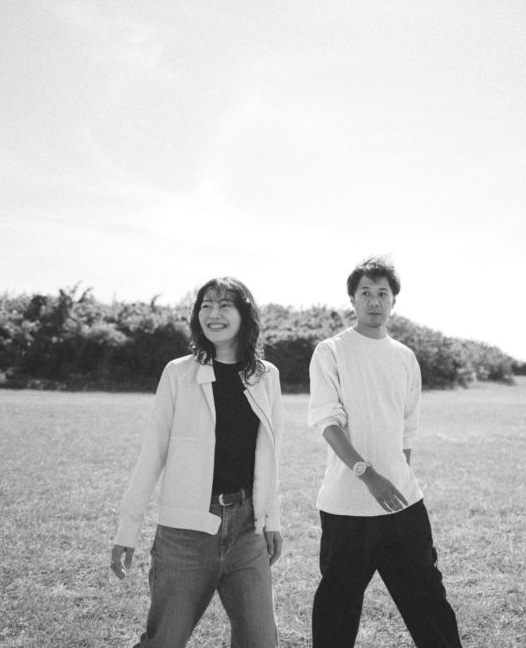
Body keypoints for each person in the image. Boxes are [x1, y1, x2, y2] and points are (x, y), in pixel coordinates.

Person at [111, 277, 283, 648]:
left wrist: (272, 520)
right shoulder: (178, 373)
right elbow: (152, 452)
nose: (213, 314)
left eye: (225, 305)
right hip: (185, 533)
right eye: (206, 305)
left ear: (244, 315)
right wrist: (128, 529)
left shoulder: (266, 376)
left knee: (261, 642)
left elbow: (271, 455)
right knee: (165, 641)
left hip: (247, 530)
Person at [308, 257, 462, 647]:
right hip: (346, 507)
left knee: (428, 602)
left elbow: (407, 429)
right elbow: (327, 421)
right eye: (366, 293)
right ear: (352, 299)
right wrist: (368, 474)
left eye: (383, 293)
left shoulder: (405, 356)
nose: (374, 301)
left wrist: (395, 476)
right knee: (337, 610)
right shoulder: (331, 351)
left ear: (394, 301)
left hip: (402, 505)